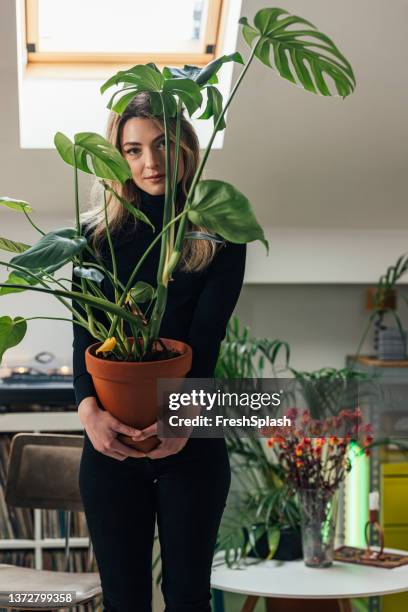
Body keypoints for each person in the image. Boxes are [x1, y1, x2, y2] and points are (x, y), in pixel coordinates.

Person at [72, 92, 247, 612]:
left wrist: (182, 420)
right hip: (111, 447)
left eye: (163, 144)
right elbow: (83, 344)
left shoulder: (219, 233)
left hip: (191, 445)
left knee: (188, 598)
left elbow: (206, 341)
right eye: (132, 149)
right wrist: (91, 418)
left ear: (187, 146)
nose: (150, 162)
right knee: (124, 601)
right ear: (116, 157)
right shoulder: (93, 237)